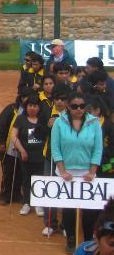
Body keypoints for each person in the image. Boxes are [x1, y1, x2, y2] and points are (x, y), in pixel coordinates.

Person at [52, 92, 103, 254]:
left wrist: (92, 171)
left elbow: (98, 148)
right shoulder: (59, 122)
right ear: (68, 106)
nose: (78, 109)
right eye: (74, 106)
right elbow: (55, 147)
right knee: (68, 210)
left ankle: (88, 240)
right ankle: (71, 240)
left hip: (87, 172)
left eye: (82, 106)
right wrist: (62, 171)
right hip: (66, 172)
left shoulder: (94, 123)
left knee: (89, 211)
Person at [10, 95, 47, 217]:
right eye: (30, 105)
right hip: (25, 156)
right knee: (26, 179)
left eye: (35, 106)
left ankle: (38, 203)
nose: (32, 108)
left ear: (39, 107)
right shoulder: (21, 119)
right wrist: (22, 151)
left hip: (41, 156)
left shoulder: (44, 120)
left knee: (39, 178)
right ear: (26, 107)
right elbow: (13, 136)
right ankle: (27, 202)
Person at [41, 83, 70, 236]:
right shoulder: (46, 112)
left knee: (66, 190)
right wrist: (47, 126)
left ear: (68, 101)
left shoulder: (72, 115)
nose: (59, 102)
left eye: (63, 99)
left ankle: (66, 224)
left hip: (67, 159)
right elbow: (38, 133)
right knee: (50, 188)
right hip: (49, 156)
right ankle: (50, 223)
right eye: (57, 99)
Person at [0, 88, 31, 206]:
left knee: (20, 172)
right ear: (21, 98)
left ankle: (16, 194)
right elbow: (0, 125)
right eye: (25, 97)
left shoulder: (33, 112)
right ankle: (5, 195)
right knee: (8, 171)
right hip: (8, 147)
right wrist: (1, 142)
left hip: (23, 148)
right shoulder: (11, 109)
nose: (27, 100)